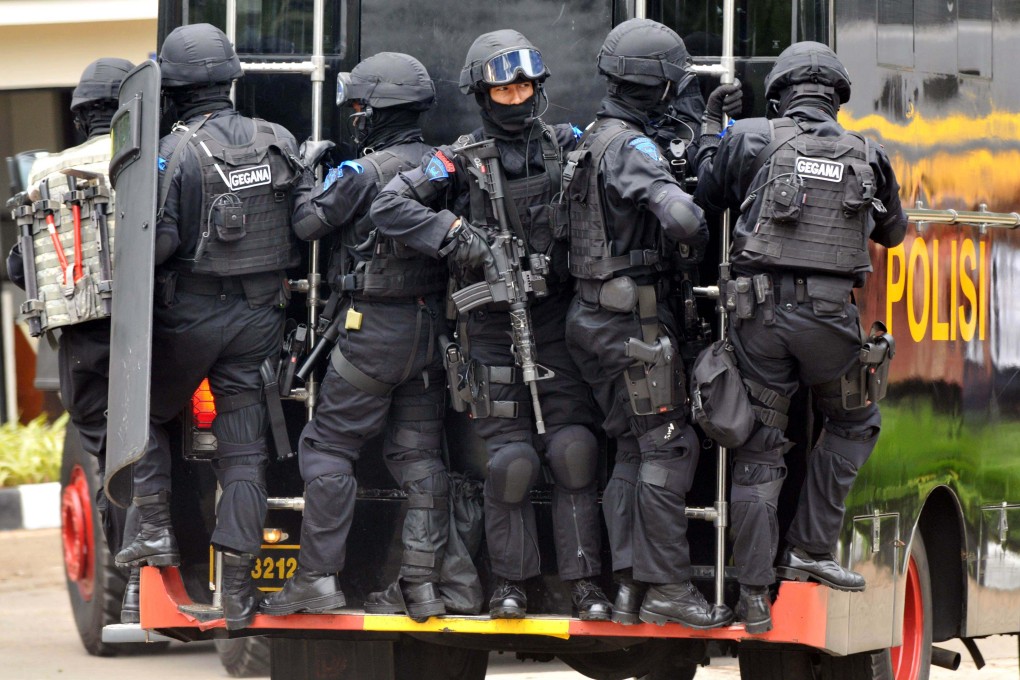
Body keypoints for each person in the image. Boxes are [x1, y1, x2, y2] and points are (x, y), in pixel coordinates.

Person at [371, 30, 611, 621]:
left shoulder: (568, 144)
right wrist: (461, 240)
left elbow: (637, 154)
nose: (515, 97)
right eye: (503, 89)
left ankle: (585, 585)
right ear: (482, 93)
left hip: (557, 323)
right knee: (510, 465)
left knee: (575, 452)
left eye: (524, 85)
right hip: (490, 330)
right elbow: (389, 207)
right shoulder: (457, 158)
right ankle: (511, 584)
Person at [693, 41, 907, 633]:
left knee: (760, 447)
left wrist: (714, 126)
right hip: (829, 322)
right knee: (854, 423)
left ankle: (754, 597)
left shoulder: (754, 137)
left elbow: (707, 194)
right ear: (837, 97)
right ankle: (811, 548)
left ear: (780, 92)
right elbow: (893, 233)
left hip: (759, 318)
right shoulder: (868, 151)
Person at [112, 23, 310, 632]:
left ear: (172, 87)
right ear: (230, 79)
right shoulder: (279, 139)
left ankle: (153, 532)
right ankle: (241, 593)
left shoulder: (171, 152)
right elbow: (304, 226)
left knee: (138, 415)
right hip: (260, 321)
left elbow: (158, 243)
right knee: (245, 455)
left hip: (189, 317)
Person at [260, 53, 458, 622]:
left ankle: (318, 580)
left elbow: (306, 224)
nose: (354, 116)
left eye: (357, 107)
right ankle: (418, 587)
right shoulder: (446, 163)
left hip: (372, 332)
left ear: (373, 111)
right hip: (431, 332)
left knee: (328, 448)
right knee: (420, 458)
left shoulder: (364, 172)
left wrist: (305, 172)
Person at [560, 18, 734, 629]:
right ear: (657, 87)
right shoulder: (630, 147)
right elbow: (683, 219)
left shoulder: (587, 138)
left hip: (594, 319)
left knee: (632, 454)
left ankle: (631, 586)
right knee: (668, 446)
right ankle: (665, 587)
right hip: (631, 326)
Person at [5, 57, 143, 623]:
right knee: (158, 446)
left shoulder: (45, 174)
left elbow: (22, 264)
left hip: (81, 340)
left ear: (80, 114)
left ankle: (133, 580)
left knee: (108, 454)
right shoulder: (142, 161)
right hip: (148, 331)